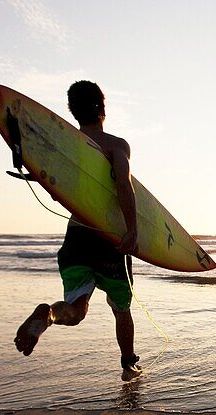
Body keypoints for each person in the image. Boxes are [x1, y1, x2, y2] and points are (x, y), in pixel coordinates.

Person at [13, 80, 142, 381]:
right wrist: (133, 229)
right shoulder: (115, 145)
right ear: (103, 108)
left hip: (77, 235)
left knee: (76, 310)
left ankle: (50, 315)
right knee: (120, 309)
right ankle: (128, 364)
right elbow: (124, 184)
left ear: (72, 112)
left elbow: (54, 186)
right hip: (110, 240)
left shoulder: (64, 147)